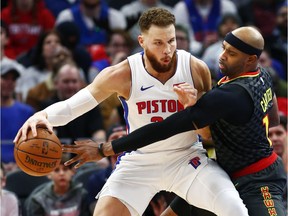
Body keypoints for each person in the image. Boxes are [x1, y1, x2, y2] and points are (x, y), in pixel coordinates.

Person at [14, 8, 249, 216]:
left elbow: (210, 135)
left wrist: (194, 108)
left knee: (235, 209)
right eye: (158, 43)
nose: (167, 49)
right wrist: (42, 115)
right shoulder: (121, 74)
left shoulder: (196, 69)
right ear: (141, 41)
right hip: (140, 161)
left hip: (186, 157)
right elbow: (74, 105)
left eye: (172, 40)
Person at [64, 26, 287, 216]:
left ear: (250, 59)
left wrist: (106, 149)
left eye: (232, 53)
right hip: (227, 170)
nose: (223, 56)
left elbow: (165, 128)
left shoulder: (229, 95)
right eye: (224, 49)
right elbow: (273, 118)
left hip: (258, 180)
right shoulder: (261, 74)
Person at [24, 153, 91, 216]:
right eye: (56, 170)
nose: (61, 173)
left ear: (72, 171)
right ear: (49, 174)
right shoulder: (38, 200)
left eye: (65, 169)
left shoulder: (82, 194)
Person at [1, 60, 35, 173]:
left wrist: (19, 165)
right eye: (5, 78)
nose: (9, 82)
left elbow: (33, 145)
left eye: (13, 79)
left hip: (21, 170)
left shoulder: (27, 112)